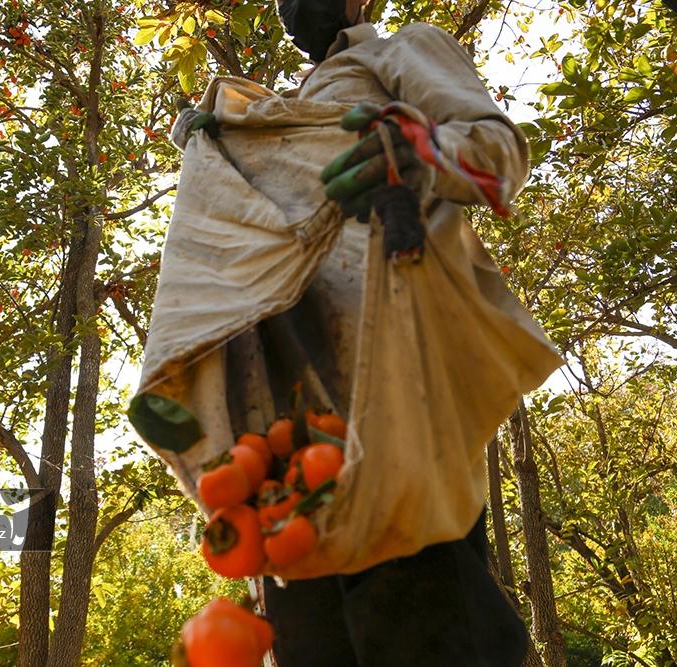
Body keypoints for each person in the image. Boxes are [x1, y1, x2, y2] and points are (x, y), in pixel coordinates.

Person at [133, 1, 562, 664]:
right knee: (310, 629)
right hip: (290, 411)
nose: (293, 7)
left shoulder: (396, 52)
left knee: (423, 609)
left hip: (393, 375)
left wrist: (420, 151)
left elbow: (497, 153)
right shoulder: (281, 108)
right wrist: (218, 149)